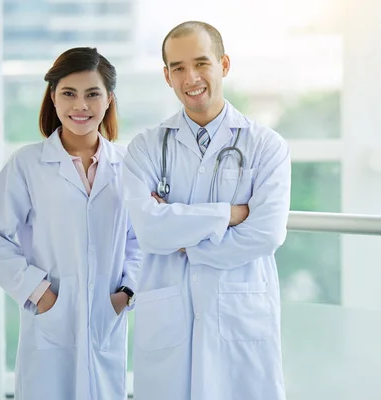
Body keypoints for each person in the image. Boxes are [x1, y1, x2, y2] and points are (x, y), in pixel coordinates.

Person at [122, 21, 291, 400]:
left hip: (239, 319)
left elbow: (265, 234)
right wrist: (228, 215)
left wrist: (184, 243)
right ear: (166, 76)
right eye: (178, 68)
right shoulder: (146, 148)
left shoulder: (266, 146)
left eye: (201, 63)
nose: (191, 77)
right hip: (169, 325)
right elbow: (149, 230)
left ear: (224, 64)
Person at [0, 47, 141, 400]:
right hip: (49, 321)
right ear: (53, 97)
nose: (80, 106)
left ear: (109, 99)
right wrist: (41, 294)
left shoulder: (128, 165)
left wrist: (126, 294)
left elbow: (140, 239)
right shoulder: (27, 164)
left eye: (92, 94)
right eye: (69, 93)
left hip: (105, 319)